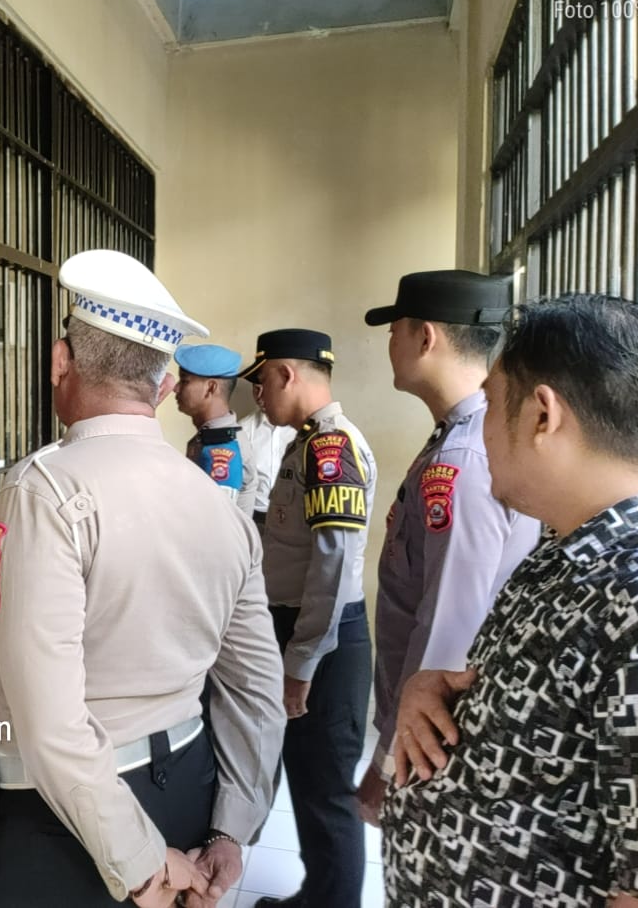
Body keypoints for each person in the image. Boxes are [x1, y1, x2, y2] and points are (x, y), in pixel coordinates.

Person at [385, 294, 638, 907]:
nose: (483, 429)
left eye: (491, 404)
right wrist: (438, 692)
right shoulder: (577, 548)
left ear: (543, 415)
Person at [0, 249, 286, 908]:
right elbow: (257, 687)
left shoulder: (46, 491)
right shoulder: (220, 508)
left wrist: (142, 866)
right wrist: (230, 828)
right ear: (164, 385)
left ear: (60, 362)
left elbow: (50, 720)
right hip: (191, 789)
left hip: (68, 819)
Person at [355, 270, 541, 825]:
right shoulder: (465, 437)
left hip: (436, 737)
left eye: (395, 329)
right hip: (440, 730)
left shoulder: (462, 458)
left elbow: (449, 623)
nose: (391, 343)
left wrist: (390, 758)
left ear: (425, 336)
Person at [239, 329, 376, 908]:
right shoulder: (306, 442)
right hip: (305, 633)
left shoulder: (330, 448)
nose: (258, 395)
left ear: (287, 374)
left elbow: (334, 568)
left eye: (262, 382)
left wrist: (301, 665)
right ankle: (317, 896)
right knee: (307, 777)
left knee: (326, 791)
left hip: (324, 640)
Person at [173, 343, 257, 516]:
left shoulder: (223, 447)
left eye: (184, 380)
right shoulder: (211, 435)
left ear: (211, 388)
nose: (176, 388)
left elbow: (215, 520)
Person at [238, 409, 296, 528]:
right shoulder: (244, 428)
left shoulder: (300, 428)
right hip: (256, 517)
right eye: (256, 390)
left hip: (294, 517)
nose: (260, 398)